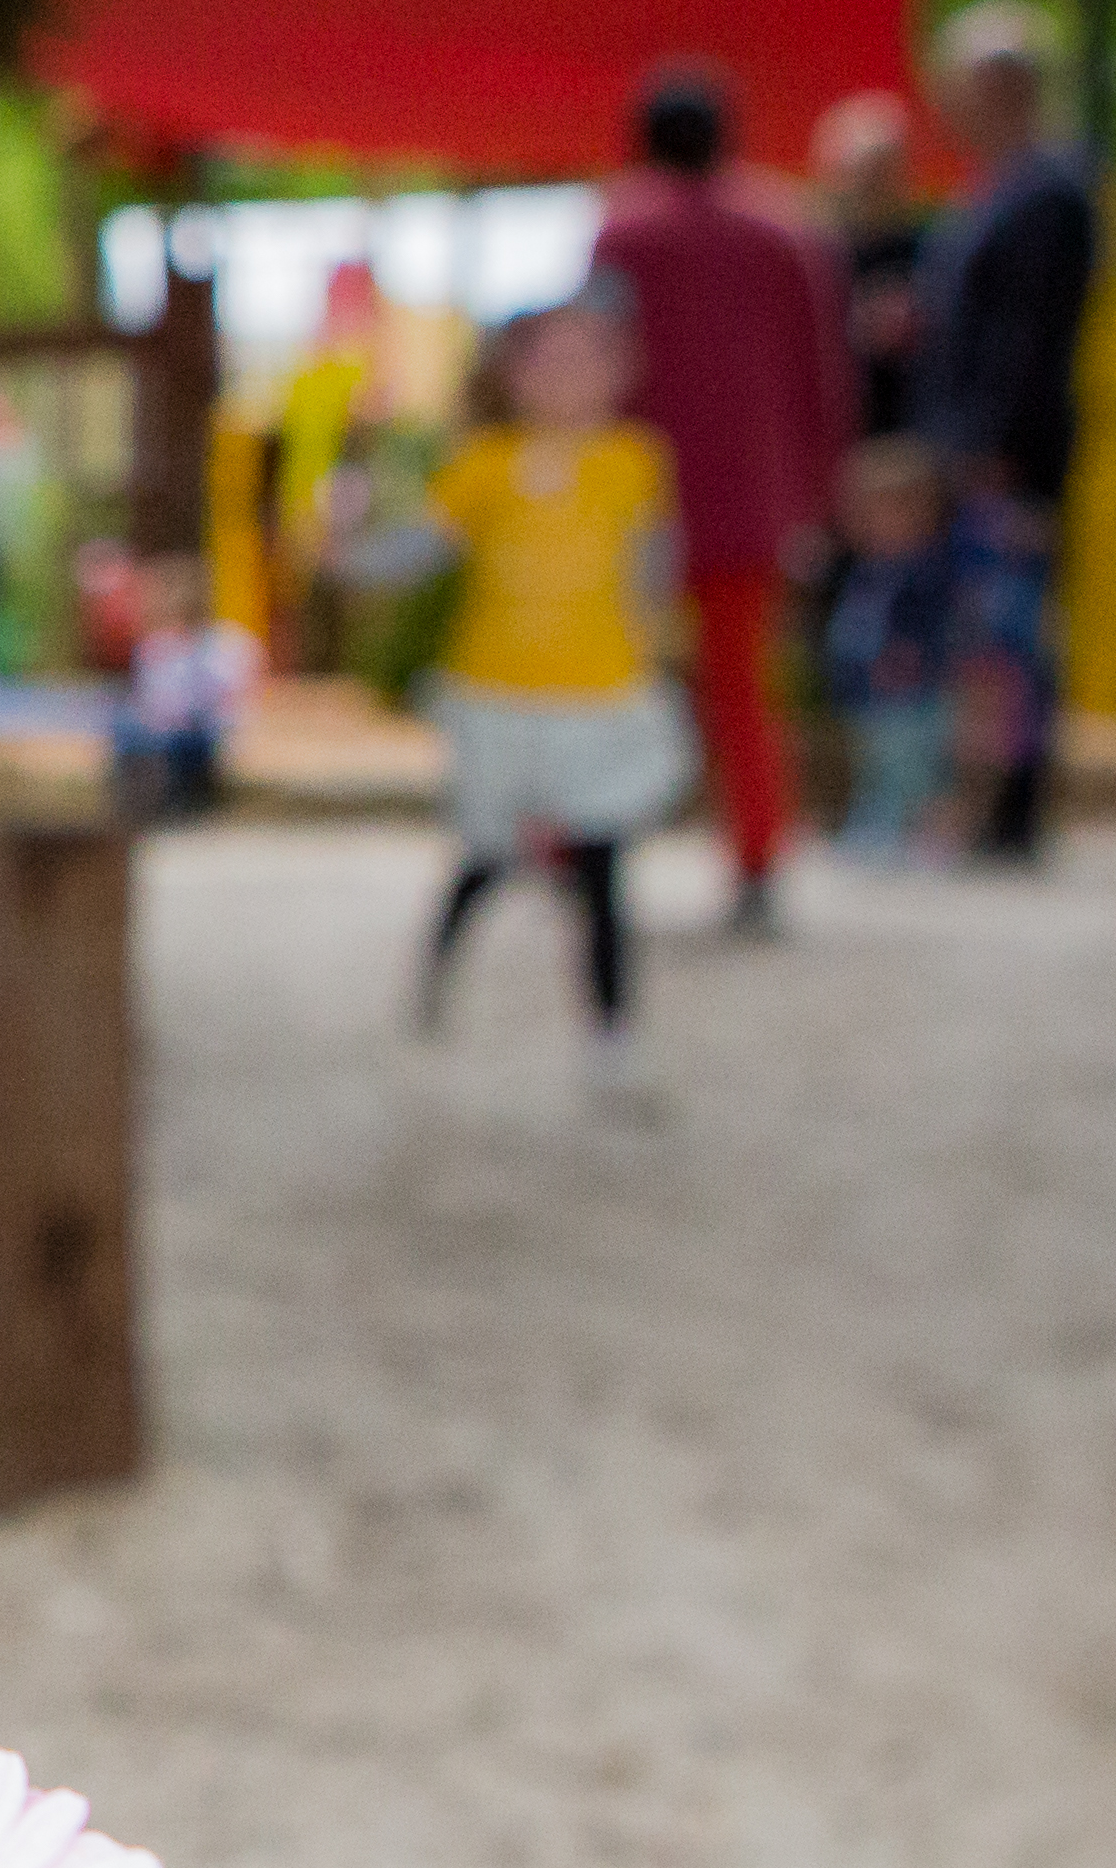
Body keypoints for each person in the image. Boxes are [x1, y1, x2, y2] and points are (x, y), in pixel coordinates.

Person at [405, 292, 689, 1103]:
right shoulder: (484, 466)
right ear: (513, 376)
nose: (570, 377)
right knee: (487, 854)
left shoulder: (635, 460)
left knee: (602, 868)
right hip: (498, 694)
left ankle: (611, 1038)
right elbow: (425, 546)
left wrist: (660, 657)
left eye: (588, 357)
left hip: (598, 695)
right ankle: (438, 975)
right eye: (550, 360)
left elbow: (652, 567)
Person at [588, 59, 849, 936]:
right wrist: (816, 490)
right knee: (742, 690)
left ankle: (584, 848)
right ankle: (758, 858)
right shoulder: (786, 232)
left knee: (605, 678)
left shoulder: (622, 235)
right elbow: (822, 376)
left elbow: (593, 368)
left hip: (636, 502)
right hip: (754, 499)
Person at [918, 3, 1097, 862]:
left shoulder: (1045, 192)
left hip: (1010, 457)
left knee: (1009, 632)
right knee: (991, 633)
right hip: (986, 449)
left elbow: (1028, 335)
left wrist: (993, 444)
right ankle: (995, 802)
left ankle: (1013, 811)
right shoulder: (999, 186)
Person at [817, 438, 966, 859]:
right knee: (878, 763)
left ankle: (933, 837)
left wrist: (917, 661)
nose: (871, 523)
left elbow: (939, 632)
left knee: (917, 767)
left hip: (913, 690)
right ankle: (879, 825)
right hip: (869, 688)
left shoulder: (926, 572)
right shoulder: (862, 570)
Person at [814, 94, 936, 441]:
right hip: (841, 433)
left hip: (915, 433)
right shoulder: (816, 259)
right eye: (862, 176)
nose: (873, 188)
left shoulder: (934, 252)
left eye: (884, 175)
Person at [110, 553, 255, 822]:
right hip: (168, 727)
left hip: (201, 729)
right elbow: (149, 698)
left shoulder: (224, 643)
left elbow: (228, 696)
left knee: (179, 734)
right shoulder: (156, 647)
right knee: (125, 726)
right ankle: (139, 801)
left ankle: (186, 794)